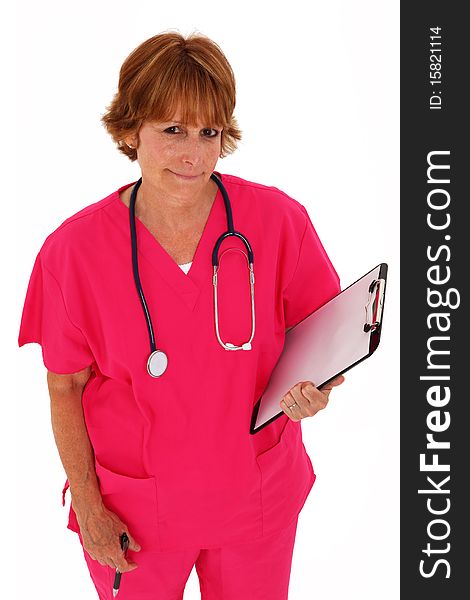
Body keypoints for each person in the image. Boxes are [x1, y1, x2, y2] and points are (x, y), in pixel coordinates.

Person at [18, 31, 344, 600]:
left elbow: (325, 342)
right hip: (136, 515)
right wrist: (90, 509)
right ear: (128, 131)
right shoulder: (72, 253)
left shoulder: (277, 222)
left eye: (208, 132)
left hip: (254, 500)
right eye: (171, 130)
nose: (193, 154)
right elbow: (65, 387)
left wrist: (319, 386)